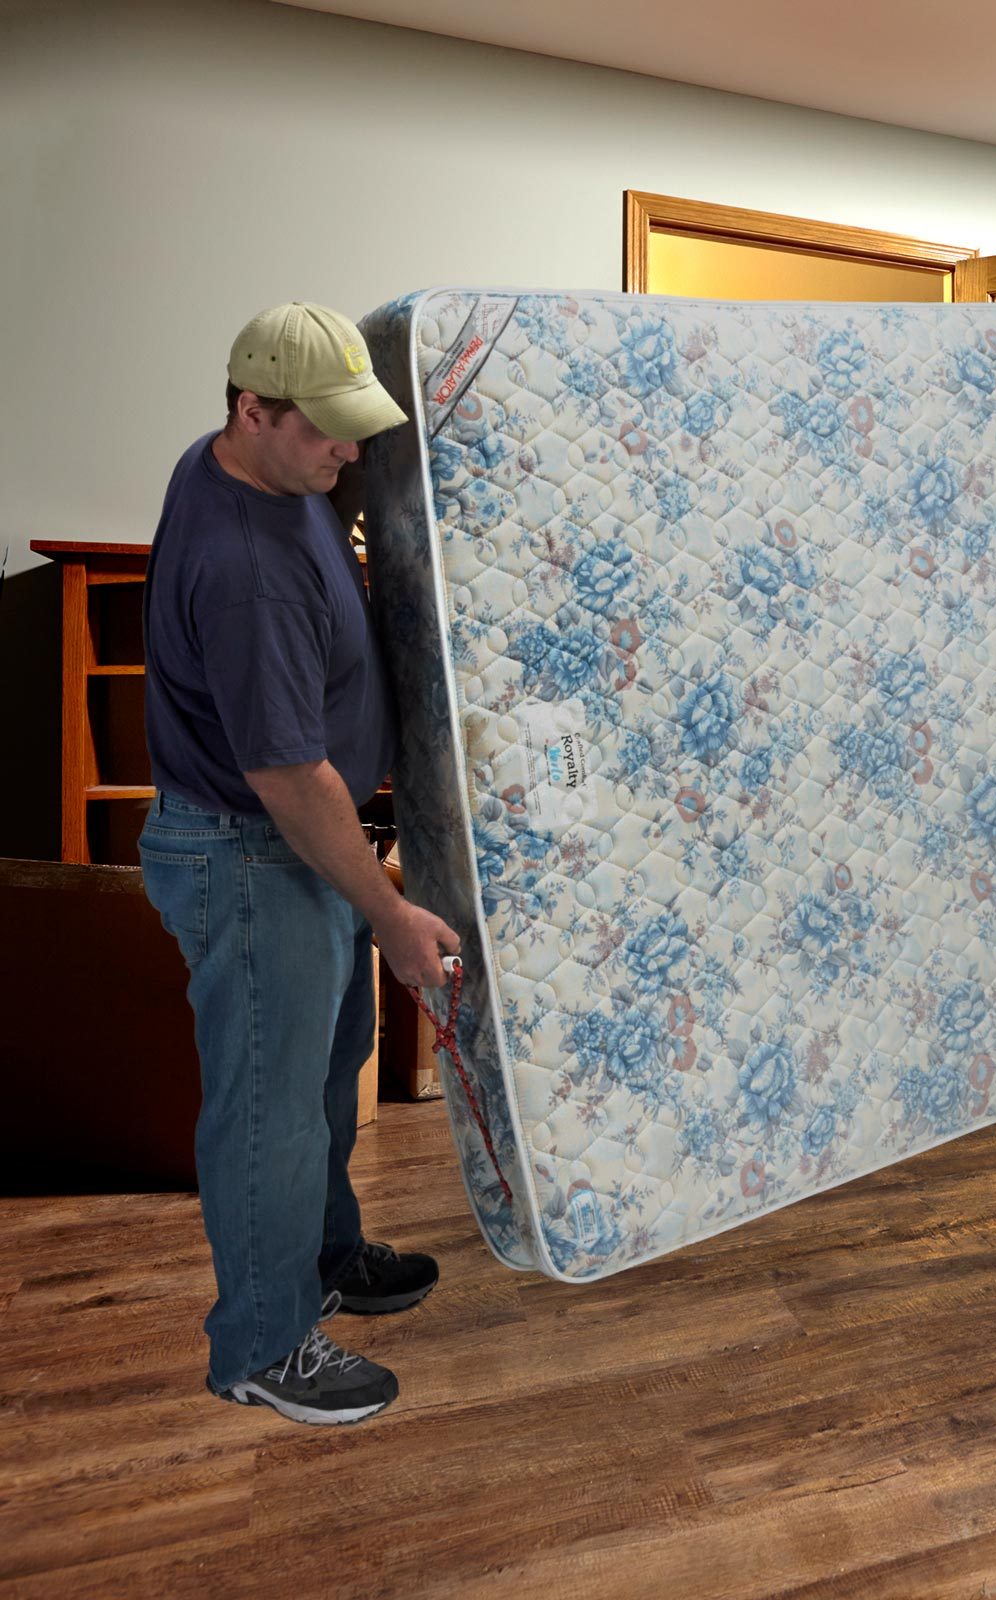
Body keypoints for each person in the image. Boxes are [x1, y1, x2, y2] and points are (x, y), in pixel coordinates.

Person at [140, 302, 460, 1424]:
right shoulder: (245, 566)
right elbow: (288, 777)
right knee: (269, 1106)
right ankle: (264, 1344)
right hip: (252, 849)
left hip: (288, 850)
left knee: (322, 1079)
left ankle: (323, 1257)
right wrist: (389, 914)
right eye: (327, 430)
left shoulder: (268, 475)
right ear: (251, 410)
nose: (350, 451)